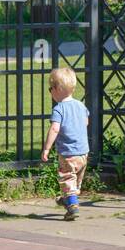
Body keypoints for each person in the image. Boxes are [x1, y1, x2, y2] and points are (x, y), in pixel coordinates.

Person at [40, 67, 89, 221]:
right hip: (83, 152)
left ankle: (72, 206)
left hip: (68, 153)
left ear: (57, 89)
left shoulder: (59, 109)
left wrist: (47, 148)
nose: (50, 92)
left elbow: (55, 129)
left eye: (50, 89)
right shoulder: (80, 106)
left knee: (67, 178)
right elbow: (86, 122)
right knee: (75, 181)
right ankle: (68, 199)